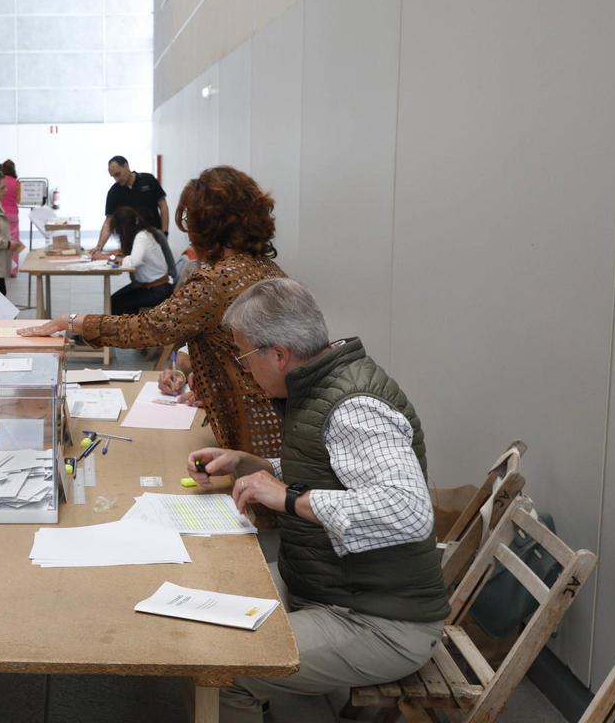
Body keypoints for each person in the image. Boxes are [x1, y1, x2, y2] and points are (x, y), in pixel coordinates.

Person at [185, 278, 447, 721]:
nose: (245, 369)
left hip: (379, 619)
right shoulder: (319, 385)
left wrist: (287, 498)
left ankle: (245, 698)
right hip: (326, 586)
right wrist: (250, 464)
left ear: (279, 354)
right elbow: (333, 470)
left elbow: (408, 510)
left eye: (244, 356)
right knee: (207, 603)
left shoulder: (354, 407)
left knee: (222, 666)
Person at [20, 166, 286, 458]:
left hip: (252, 431)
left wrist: (70, 321)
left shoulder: (214, 281)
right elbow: (225, 341)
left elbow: (147, 327)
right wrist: (199, 375)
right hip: (277, 421)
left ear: (205, 225)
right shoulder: (267, 268)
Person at [90, 155, 168, 258]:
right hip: (130, 244)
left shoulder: (148, 180)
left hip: (154, 238)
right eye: (113, 176)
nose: (116, 179)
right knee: (132, 265)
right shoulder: (114, 192)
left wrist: (164, 233)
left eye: (118, 174)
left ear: (126, 166)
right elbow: (109, 221)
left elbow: (163, 206)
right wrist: (99, 247)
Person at [102, 206, 174, 315]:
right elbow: (132, 257)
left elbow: (134, 262)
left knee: (115, 303)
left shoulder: (141, 237)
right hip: (154, 287)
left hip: (157, 290)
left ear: (123, 228)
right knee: (114, 301)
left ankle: (128, 324)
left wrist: (106, 258)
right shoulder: (144, 233)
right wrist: (116, 255)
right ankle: (130, 324)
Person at [0, 159, 21, 276]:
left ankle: (3, 268)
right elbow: (19, 200)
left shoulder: (0, 181)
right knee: (14, 241)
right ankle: (13, 270)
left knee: (2, 241)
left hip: (1, 213)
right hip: (13, 214)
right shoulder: (17, 182)